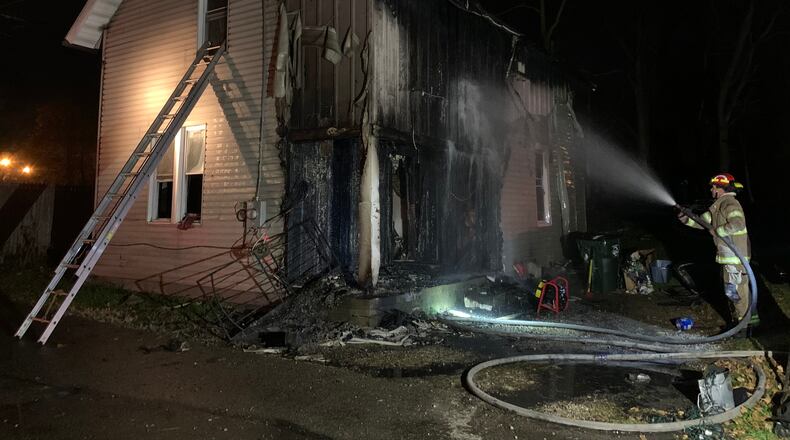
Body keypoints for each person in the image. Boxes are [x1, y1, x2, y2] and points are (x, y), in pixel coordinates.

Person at [678, 173, 754, 326]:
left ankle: (743, 326)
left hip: (736, 259)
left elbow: (738, 223)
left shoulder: (730, 204)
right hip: (729, 258)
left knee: (737, 293)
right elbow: (702, 223)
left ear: (721, 189)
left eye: (714, 187)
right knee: (734, 292)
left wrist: (718, 231)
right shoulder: (717, 206)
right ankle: (742, 323)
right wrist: (686, 218)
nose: (712, 190)